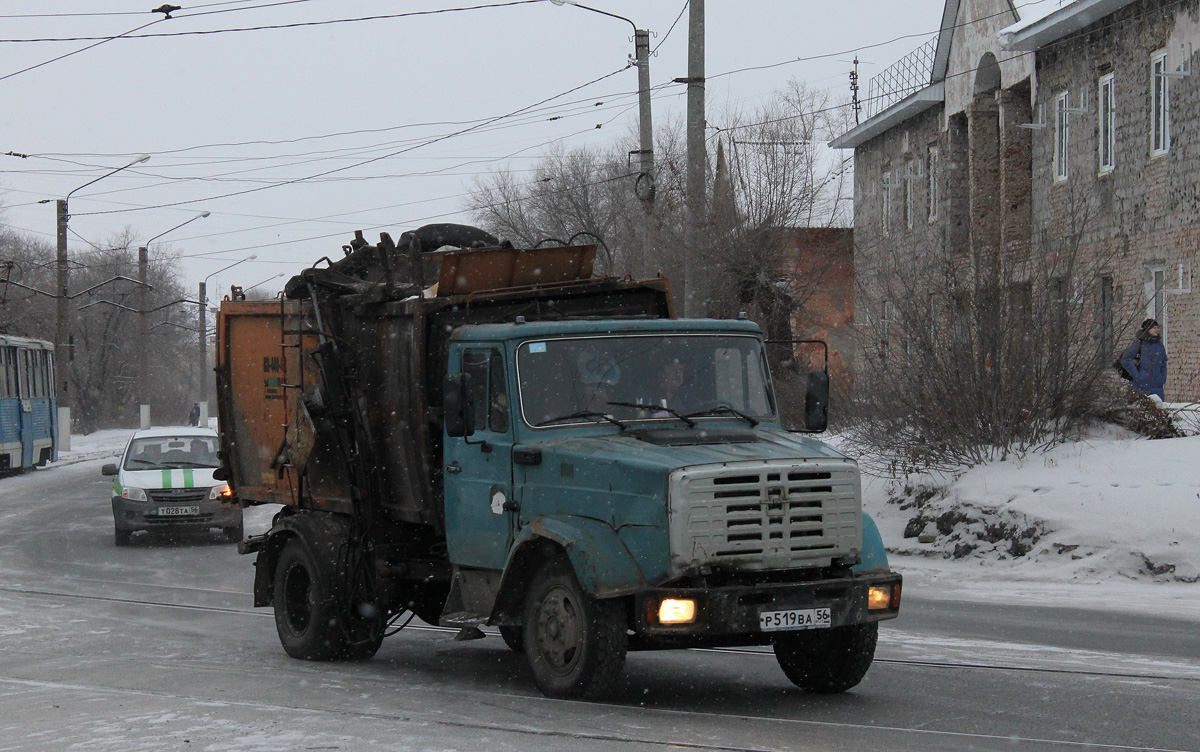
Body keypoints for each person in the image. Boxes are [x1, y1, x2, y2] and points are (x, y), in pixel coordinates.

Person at [1120, 318, 1168, 400]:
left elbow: (1163, 362)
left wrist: (1162, 377)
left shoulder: (1159, 345)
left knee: (1158, 408)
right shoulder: (1138, 344)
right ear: (1147, 329)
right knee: (1140, 408)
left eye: (1157, 327)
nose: (1156, 330)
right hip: (1140, 386)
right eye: (1153, 328)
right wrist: (1137, 376)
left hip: (1157, 385)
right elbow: (1126, 360)